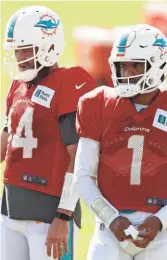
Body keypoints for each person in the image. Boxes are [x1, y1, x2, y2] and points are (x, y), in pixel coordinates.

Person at [0, 5, 96, 260]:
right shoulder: (18, 87)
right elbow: (6, 142)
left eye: (24, 49)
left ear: (48, 46)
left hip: (48, 215)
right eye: (16, 50)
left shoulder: (68, 83)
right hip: (10, 210)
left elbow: (80, 157)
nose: (19, 57)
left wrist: (64, 215)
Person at [74, 24, 167, 260]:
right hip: (109, 233)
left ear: (158, 64)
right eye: (122, 65)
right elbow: (83, 176)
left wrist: (160, 221)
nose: (127, 73)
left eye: (136, 65)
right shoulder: (97, 103)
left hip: (162, 236)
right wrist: (111, 218)